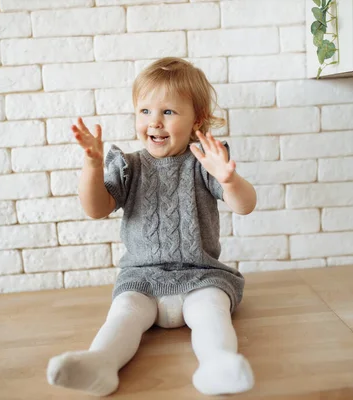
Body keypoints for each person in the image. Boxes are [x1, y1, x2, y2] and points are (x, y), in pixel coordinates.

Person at [47, 57, 257, 396]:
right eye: (145, 111)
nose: (155, 122)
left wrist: (229, 180)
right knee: (124, 314)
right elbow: (95, 209)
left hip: (200, 275)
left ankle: (217, 364)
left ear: (197, 120)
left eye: (169, 112)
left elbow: (245, 206)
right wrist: (92, 165)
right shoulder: (128, 166)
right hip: (142, 277)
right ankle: (100, 363)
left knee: (210, 312)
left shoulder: (205, 162)